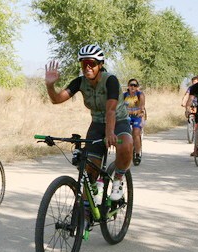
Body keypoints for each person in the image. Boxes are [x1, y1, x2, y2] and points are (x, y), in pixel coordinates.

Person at [44, 44, 133, 201]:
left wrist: (110, 133)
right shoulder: (80, 82)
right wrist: (50, 85)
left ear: (100, 64)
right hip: (97, 124)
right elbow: (57, 99)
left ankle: (118, 179)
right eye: (84, 64)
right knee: (89, 170)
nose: (87, 67)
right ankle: (89, 204)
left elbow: (111, 110)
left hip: (118, 120)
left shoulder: (110, 80)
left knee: (126, 145)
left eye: (92, 63)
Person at [123, 79, 146, 166]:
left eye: (135, 85)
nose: (133, 87)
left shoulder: (140, 95)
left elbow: (142, 107)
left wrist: (136, 112)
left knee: (136, 133)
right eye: (131, 85)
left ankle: (137, 153)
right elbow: (119, 107)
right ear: (128, 86)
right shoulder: (124, 95)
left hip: (137, 117)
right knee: (123, 134)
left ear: (137, 87)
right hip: (127, 117)